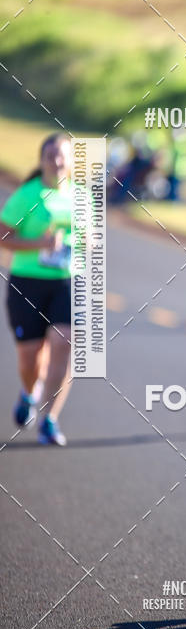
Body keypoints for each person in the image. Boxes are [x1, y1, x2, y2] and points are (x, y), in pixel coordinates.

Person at [0, 133, 74, 446]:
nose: (57, 161)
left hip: (67, 282)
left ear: (71, 161)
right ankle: (30, 392)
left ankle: (50, 419)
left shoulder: (82, 197)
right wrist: (40, 244)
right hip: (27, 284)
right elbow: (4, 238)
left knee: (63, 341)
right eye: (51, 155)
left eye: (62, 155)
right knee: (30, 359)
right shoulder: (27, 196)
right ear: (41, 159)